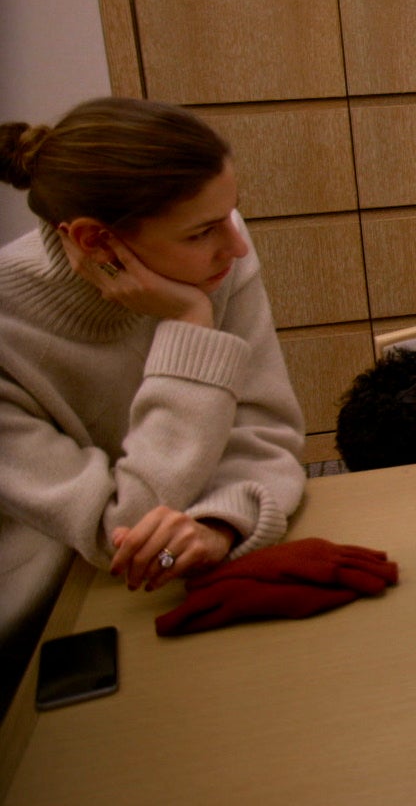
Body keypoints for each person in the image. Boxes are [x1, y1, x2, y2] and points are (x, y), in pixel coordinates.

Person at [0, 98, 307, 696]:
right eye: (202, 231)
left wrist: (222, 520)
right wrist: (190, 325)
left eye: (232, 214)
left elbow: (266, 432)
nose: (237, 246)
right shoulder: (9, 328)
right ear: (94, 240)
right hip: (48, 629)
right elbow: (123, 528)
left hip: (177, 590)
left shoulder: (220, 258)